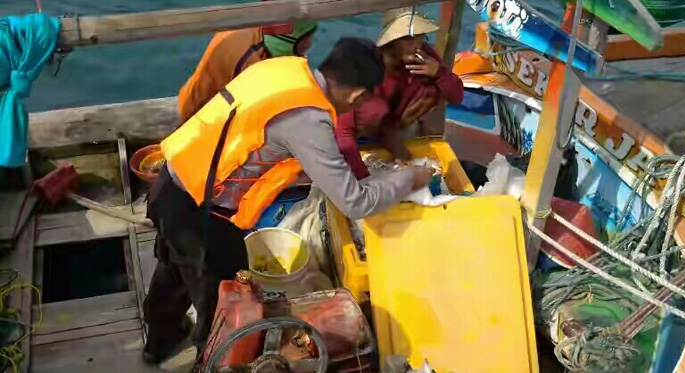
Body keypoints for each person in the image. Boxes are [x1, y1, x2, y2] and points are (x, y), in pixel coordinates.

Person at [142, 37, 434, 366]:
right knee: (227, 306)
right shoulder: (309, 119)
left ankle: (157, 343)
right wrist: (409, 177)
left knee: (173, 268)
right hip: (200, 214)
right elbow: (355, 202)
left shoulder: (283, 70)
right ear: (357, 95)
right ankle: (212, 362)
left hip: (171, 179)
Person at [336, 8, 464, 180]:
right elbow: (343, 132)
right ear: (391, 42)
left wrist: (439, 73)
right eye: (408, 38)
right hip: (353, 138)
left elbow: (456, 97)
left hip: (396, 128)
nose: (418, 44)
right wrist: (364, 178)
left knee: (432, 91)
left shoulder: (424, 56)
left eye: (421, 36)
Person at [177, 21, 318, 123]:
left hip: (198, 107)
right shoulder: (256, 66)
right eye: (310, 35)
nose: (311, 42)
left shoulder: (253, 26)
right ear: (300, 39)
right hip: (201, 124)